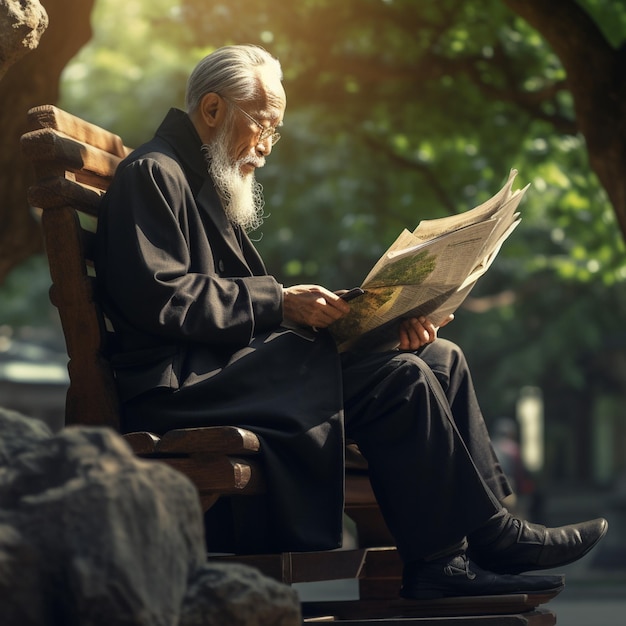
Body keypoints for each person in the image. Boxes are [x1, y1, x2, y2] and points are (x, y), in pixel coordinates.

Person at [95, 44, 607, 600]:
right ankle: (442, 565)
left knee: (439, 357)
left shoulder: (197, 180)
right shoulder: (153, 172)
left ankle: (493, 532)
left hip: (228, 374)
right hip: (187, 388)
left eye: (276, 131)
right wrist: (281, 302)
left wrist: (376, 326)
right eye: (262, 124)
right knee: (401, 381)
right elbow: (162, 298)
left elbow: (230, 306)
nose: (267, 147)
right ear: (213, 110)